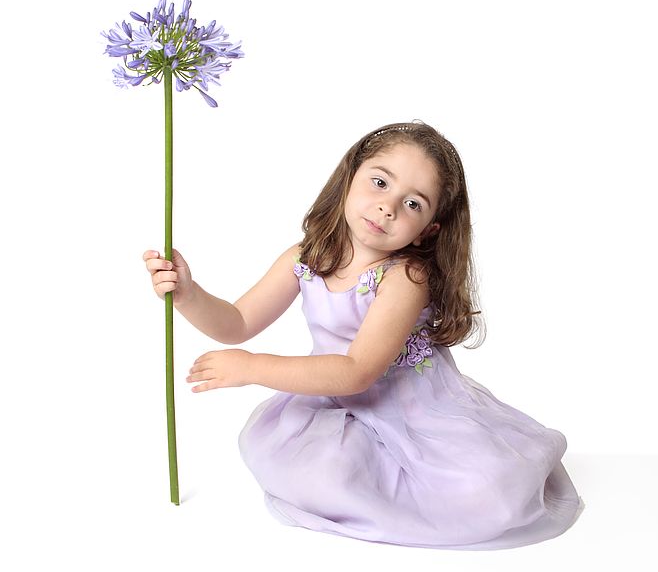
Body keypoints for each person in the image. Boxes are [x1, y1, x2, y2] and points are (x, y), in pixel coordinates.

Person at [142, 121, 583, 549]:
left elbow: (356, 373)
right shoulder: (306, 257)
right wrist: (187, 294)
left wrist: (255, 368)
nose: (388, 206)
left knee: (488, 491)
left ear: (429, 230)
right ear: (350, 178)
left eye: (413, 204)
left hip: (410, 409)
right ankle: (365, 491)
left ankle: (412, 501)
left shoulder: (405, 277)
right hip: (331, 401)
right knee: (311, 468)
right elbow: (236, 322)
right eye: (379, 182)